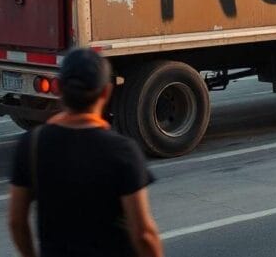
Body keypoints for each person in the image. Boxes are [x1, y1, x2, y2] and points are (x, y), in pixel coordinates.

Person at [9, 49, 162, 257]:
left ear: (59, 88)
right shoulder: (122, 151)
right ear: (106, 92)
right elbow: (143, 233)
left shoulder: (32, 144)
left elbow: (16, 221)